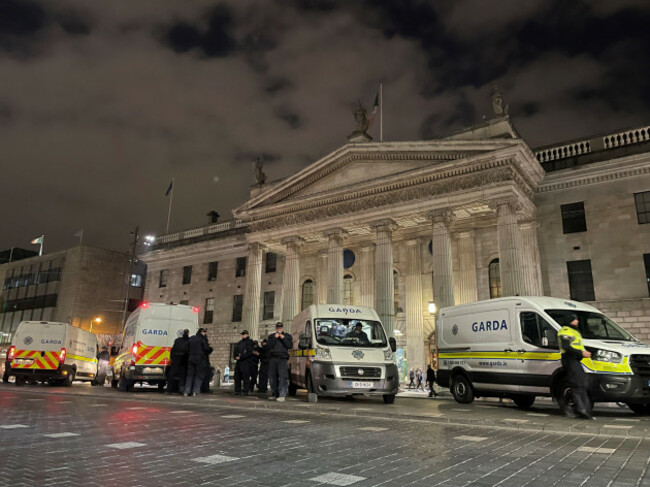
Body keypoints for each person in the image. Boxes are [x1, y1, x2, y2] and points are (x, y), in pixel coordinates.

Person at [557, 313, 594, 419]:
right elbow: (566, 347)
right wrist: (581, 353)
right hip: (569, 359)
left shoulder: (575, 331)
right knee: (577, 385)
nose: (577, 321)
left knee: (582, 384)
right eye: (574, 319)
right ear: (569, 320)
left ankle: (585, 411)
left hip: (575, 360)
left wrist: (584, 353)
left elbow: (578, 346)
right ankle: (580, 411)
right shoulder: (565, 331)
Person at [267, 322, 293, 402]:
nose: (279, 329)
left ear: (282, 328)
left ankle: (282, 395)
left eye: (280, 327)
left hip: (282, 358)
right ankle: (274, 394)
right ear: (275, 328)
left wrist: (283, 338)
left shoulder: (287, 336)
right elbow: (268, 346)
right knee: (272, 377)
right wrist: (275, 338)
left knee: (282, 377)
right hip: (273, 358)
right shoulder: (271, 336)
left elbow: (289, 346)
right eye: (278, 327)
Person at [184, 328, 212, 397]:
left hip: (191, 358)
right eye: (204, 332)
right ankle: (195, 391)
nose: (205, 333)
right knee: (199, 375)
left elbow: (186, 348)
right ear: (202, 332)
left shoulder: (191, 338)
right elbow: (206, 349)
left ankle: (186, 391)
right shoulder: (202, 339)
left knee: (190, 375)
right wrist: (210, 349)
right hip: (200, 359)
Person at [167, 329, 190, 394]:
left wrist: (172, 359)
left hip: (175, 360)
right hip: (183, 360)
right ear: (188, 333)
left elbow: (172, 350)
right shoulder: (188, 341)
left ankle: (169, 389)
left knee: (172, 375)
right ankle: (181, 389)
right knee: (182, 376)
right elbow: (187, 351)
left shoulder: (177, 340)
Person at [234, 330, 255, 396]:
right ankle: (237, 390)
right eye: (242, 334)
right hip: (239, 361)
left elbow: (249, 352)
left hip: (246, 361)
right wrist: (235, 356)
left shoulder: (250, 342)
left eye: (244, 334)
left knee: (245, 377)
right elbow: (235, 350)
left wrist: (241, 357)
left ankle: (245, 391)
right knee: (237, 376)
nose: (243, 335)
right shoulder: (240, 342)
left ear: (247, 334)